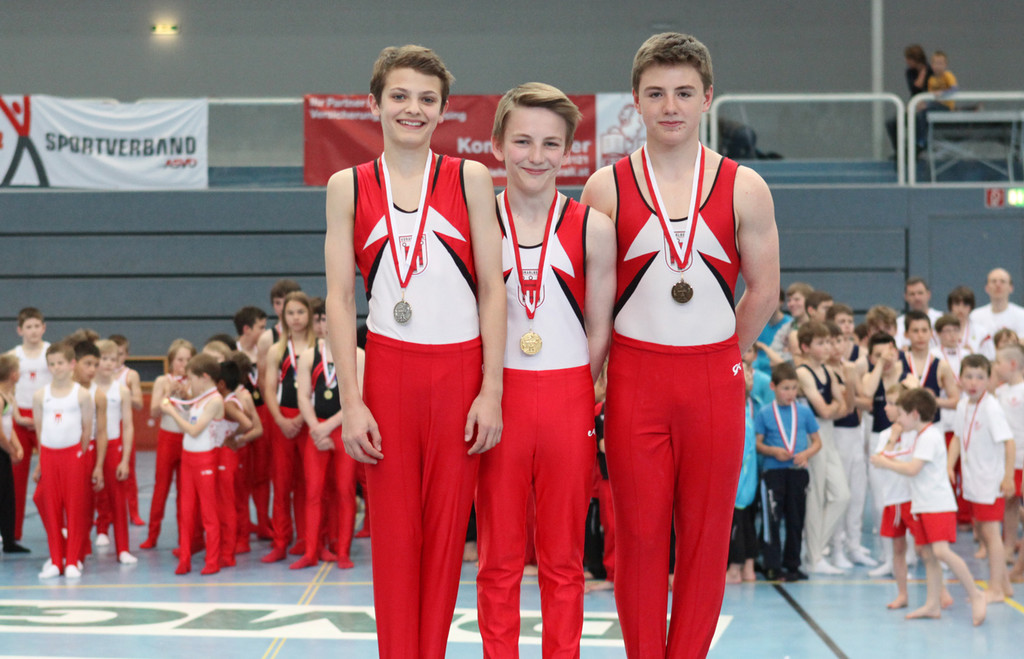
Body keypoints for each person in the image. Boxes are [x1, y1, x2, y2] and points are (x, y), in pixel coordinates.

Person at [580, 32, 779, 658]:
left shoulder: (744, 187)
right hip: (635, 379)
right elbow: (593, 304)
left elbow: (765, 291)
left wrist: (727, 355)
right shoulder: (605, 189)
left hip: (713, 379)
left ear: (708, 98)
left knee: (705, 540)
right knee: (638, 540)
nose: (671, 106)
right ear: (635, 100)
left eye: (685, 93)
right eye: (657, 93)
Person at [323, 44, 505, 658]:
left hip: (459, 372)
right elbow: (340, 300)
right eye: (399, 96)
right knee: (396, 542)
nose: (413, 109)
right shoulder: (347, 186)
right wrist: (352, 403)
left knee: (446, 540)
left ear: (443, 110)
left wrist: (490, 390)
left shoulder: (469, 178)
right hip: (389, 371)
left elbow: (492, 288)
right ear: (374, 103)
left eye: (427, 99)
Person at [474, 82, 615, 657]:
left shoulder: (593, 227)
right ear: (497, 144)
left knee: (563, 559)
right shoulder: (476, 220)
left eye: (550, 143)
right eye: (523, 141)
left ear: (568, 151)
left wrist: (577, 388)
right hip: (498, 394)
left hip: (567, 395)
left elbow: (600, 327)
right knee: (498, 558)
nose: (536, 156)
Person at [870, 388, 987, 625]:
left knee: (941, 552)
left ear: (914, 414)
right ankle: (933, 604)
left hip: (937, 505)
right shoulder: (920, 436)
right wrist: (885, 455)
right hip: (923, 505)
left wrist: (884, 462)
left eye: (902, 414)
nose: (899, 420)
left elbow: (912, 469)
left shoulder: (929, 436)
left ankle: (975, 594)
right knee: (930, 556)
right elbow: (903, 456)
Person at [292, 300, 362, 570]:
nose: (327, 325)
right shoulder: (310, 356)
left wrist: (328, 426)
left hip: (344, 428)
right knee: (314, 492)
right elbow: (303, 396)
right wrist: (315, 427)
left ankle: (342, 551)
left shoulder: (358, 355)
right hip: (317, 430)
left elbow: (359, 398)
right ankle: (311, 551)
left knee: (344, 491)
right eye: (323, 320)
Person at [947, 354, 1016, 602]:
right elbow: (957, 437)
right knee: (984, 532)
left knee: (991, 534)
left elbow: (1009, 443)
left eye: (979, 377)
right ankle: (1004, 585)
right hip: (973, 480)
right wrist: (948, 465)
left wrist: (1008, 477)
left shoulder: (991, 407)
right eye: (968, 376)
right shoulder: (963, 405)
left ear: (988, 380)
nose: (973, 382)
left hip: (990, 481)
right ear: (960, 379)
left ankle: (995, 589)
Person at [261, 291, 317, 563]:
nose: (296, 318)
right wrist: (281, 420)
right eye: (290, 313)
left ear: (309, 315)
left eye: (301, 312)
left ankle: (308, 540)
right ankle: (281, 541)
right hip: (283, 420)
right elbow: (269, 389)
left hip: (311, 420)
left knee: (310, 485)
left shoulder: (318, 348)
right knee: (282, 485)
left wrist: (305, 418)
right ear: (283, 317)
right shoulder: (277, 350)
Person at [32, 342, 95, 578]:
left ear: (72, 364)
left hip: (73, 456)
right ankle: (57, 561)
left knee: (75, 508)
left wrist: (79, 453)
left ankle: (72, 561)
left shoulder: (82, 395)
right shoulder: (41, 395)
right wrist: (42, 460)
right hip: (50, 456)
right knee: (52, 509)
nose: (56, 367)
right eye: (51, 364)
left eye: (60, 363)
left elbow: (87, 430)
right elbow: (40, 430)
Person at [160, 353, 224, 576]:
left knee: (209, 513)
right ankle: (185, 558)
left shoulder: (215, 400)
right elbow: (190, 420)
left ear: (204, 377)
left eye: (191, 379)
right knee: (186, 512)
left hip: (205, 460)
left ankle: (212, 560)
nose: (189, 383)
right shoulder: (198, 398)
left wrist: (171, 412)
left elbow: (195, 430)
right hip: (188, 459)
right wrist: (176, 404)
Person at [756, 363, 821, 582]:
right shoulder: (765, 413)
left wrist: (806, 454)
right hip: (773, 472)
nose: (790, 393)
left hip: (797, 471)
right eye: (785, 388)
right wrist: (773, 451)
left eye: (794, 388)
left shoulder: (804, 412)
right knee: (772, 520)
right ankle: (772, 566)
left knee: (796, 519)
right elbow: (758, 444)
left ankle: (792, 564)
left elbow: (817, 442)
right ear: (773, 387)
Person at [795, 321, 851, 575]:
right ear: (805, 347)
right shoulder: (803, 372)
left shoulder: (828, 371)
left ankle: (814, 549)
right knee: (815, 497)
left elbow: (844, 408)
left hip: (828, 435)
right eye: (821, 343)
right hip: (812, 436)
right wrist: (836, 407)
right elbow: (826, 410)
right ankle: (814, 557)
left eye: (829, 342)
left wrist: (836, 406)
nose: (828, 347)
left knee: (842, 495)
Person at [254, 279, 302, 537]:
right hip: (278, 412)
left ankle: (308, 536)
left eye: (288, 302)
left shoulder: (312, 337)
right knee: (280, 478)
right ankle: (281, 535)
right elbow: (264, 382)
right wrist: (277, 417)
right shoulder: (267, 339)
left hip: (308, 414)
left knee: (306, 479)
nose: (283, 308)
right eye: (278, 303)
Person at [140, 339, 195, 549]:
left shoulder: (196, 380)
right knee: (161, 488)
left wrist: (187, 395)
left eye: (188, 360)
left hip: (188, 440)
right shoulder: (163, 380)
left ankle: (184, 538)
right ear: (171, 361)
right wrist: (168, 394)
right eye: (180, 360)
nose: (184, 364)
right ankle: (152, 534)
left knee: (185, 491)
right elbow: (154, 411)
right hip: (168, 439)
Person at [7, 307, 50, 544]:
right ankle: (12, 532)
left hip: (47, 417)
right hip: (20, 418)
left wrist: (45, 416)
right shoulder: (13, 356)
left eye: (37, 326)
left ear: (44, 328)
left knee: (50, 477)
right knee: (16, 480)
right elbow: (6, 390)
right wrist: (17, 416)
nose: (33, 331)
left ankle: (58, 529)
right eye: (28, 327)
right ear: (19, 330)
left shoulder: (51, 352)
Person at [91, 340, 136, 565]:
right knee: (87, 497)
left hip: (113, 444)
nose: (109, 363)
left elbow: (128, 426)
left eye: (113, 359)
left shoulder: (122, 390)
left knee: (118, 498)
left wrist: (125, 459)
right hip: (89, 445)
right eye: (104, 359)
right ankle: (91, 538)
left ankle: (123, 549)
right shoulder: (86, 389)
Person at [210, 359, 254, 569]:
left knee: (226, 505)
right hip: (228, 457)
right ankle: (230, 546)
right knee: (231, 502)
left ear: (220, 384)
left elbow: (247, 423)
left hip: (226, 457)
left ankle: (228, 552)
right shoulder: (233, 399)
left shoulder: (228, 404)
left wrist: (231, 437)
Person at [726, 361, 760, 584]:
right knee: (746, 522)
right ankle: (748, 567)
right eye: (745, 372)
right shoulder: (739, 407)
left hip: (742, 480)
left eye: (750, 373)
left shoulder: (746, 409)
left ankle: (735, 569)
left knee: (738, 523)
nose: (749, 377)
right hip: (746, 479)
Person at [993, 344, 1024, 582]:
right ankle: (1008, 547)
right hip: (1008, 460)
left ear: (1013, 364)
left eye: (998, 362)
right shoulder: (1001, 391)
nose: (995, 367)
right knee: (1009, 505)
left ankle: (1019, 566)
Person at [108, 334, 144, 526]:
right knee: (104, 471)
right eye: (112, 355)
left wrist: (122, 392)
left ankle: (133, 512)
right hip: (105, 425)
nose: (116, 359)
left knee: (127, 470)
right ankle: (105, 513)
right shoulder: (100, 373)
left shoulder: (130, 375)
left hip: (123, 425)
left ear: (127, 355)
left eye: (120, 354)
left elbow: (139, 403)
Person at [0, 354, 29, 554]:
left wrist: (18, 446)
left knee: (8, 497)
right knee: (4, 495)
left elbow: (9, 425)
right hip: (2, 450)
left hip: (4, 450)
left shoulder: (8, 395)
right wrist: (11, 450)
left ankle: (9, 540)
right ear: (12, 374)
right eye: (18, 370)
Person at [887, 45, 932, 152]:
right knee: (892, 123)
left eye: (908, 59)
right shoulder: (910, 73)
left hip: (928, 107)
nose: (906, 61)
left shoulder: (931, 71)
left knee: (919, 118)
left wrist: (924, 71)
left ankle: (920, 145)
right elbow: (915, 88)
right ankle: (900, 151)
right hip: (915, 106)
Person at [971, 268, 1024, 339]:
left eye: (1003, 281)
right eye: (994, 281)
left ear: (1011, 288)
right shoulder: (975, 316)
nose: (998, 285)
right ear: (987, 288)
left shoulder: (1021, 315)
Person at [894, 278, 943, 349]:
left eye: (920, 293)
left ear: (928, 294)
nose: (917, 298)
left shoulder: (941, 318)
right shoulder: (899, 323)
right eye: (912, 294)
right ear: (906, 297)